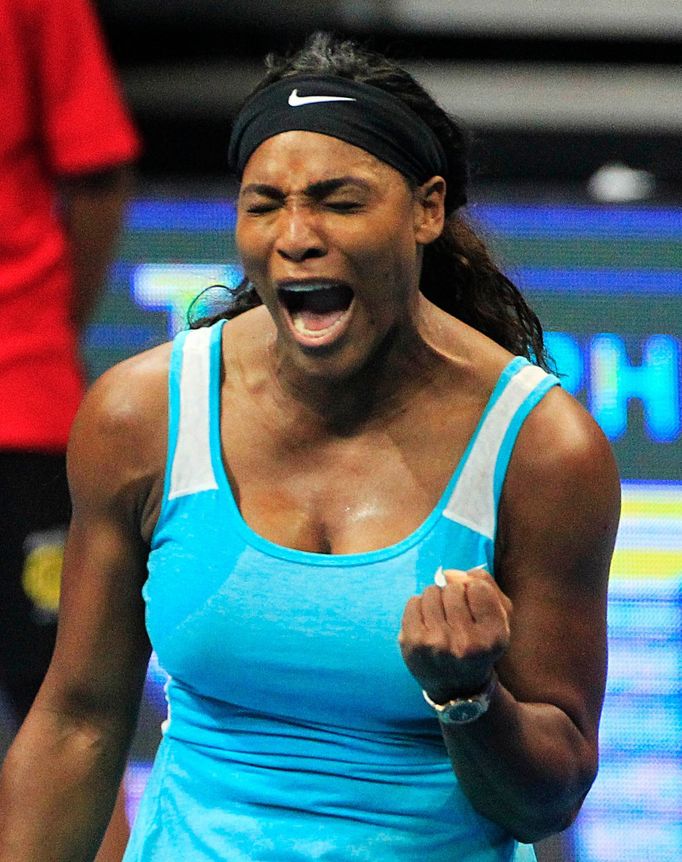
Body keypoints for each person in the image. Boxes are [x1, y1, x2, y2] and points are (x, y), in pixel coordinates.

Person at [0, 32, 620, 862]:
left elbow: (548, 798)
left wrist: (470, 700)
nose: (295, 235)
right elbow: (78, 721)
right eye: (264, 204)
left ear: (427, 210)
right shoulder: (139, 414)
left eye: (339, 200)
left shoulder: (546, 450)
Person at [0, 0, 140, 858]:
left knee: (70, 723)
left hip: (18, 406)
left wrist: (40, 332)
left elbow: (97, 170)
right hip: (25, 387)